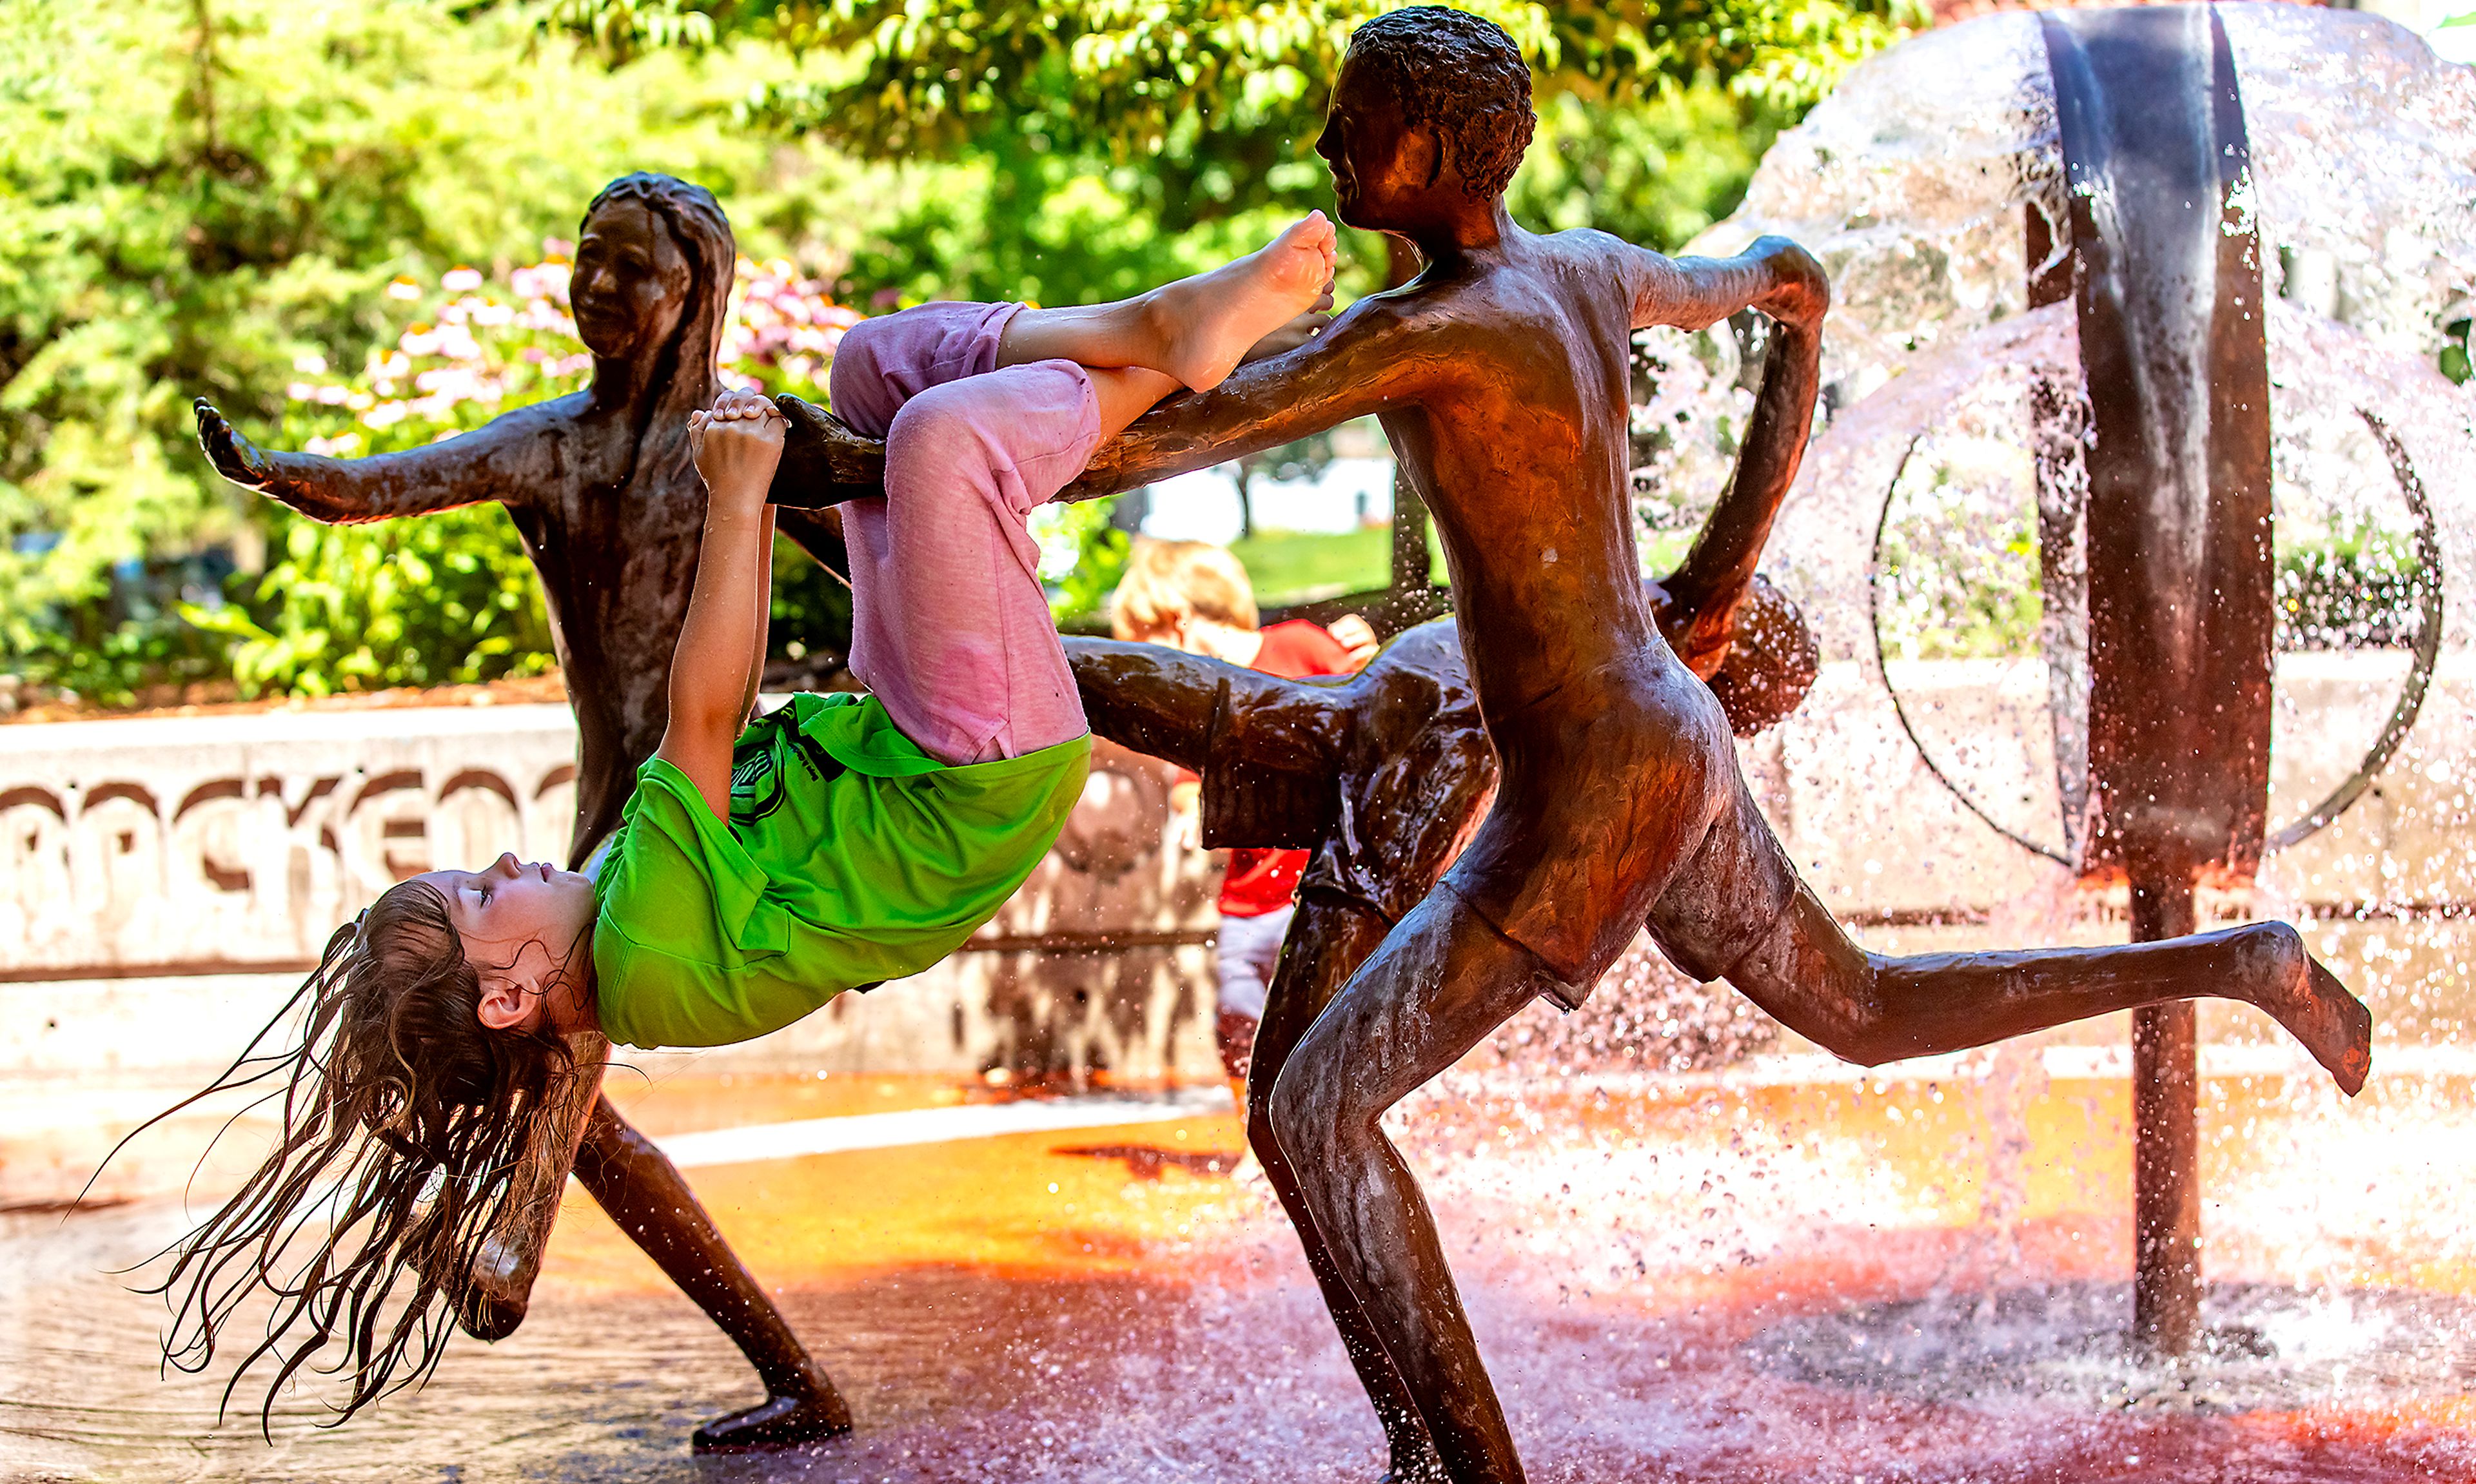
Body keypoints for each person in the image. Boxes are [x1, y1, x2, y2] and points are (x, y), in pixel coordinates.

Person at [151, 213, 1341, 1429]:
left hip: (903, 738)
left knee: (872, 370)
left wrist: (812, 502)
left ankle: (1158, 336)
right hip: (969, 775)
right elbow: (707, 712)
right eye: (473, 897)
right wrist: (739, 498)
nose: (496, 859)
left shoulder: (611, 915)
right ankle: (1164, 349)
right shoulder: (647, 945)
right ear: (507, 992)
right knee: (938, 444)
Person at [1109, 537, 1375, 1075]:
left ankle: (1331, 1130)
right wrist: (1190, 807)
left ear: (1178, 620)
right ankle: (1256, 1146)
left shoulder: (1301, 648)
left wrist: (1372, 658)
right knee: (1236, 1020)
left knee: (1337, 1026)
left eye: (1148, 647)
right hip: (1250, 899)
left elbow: (1373, 713)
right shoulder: (1199, 701)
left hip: (1330, 887)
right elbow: (1189, 782)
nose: (1152, 668)